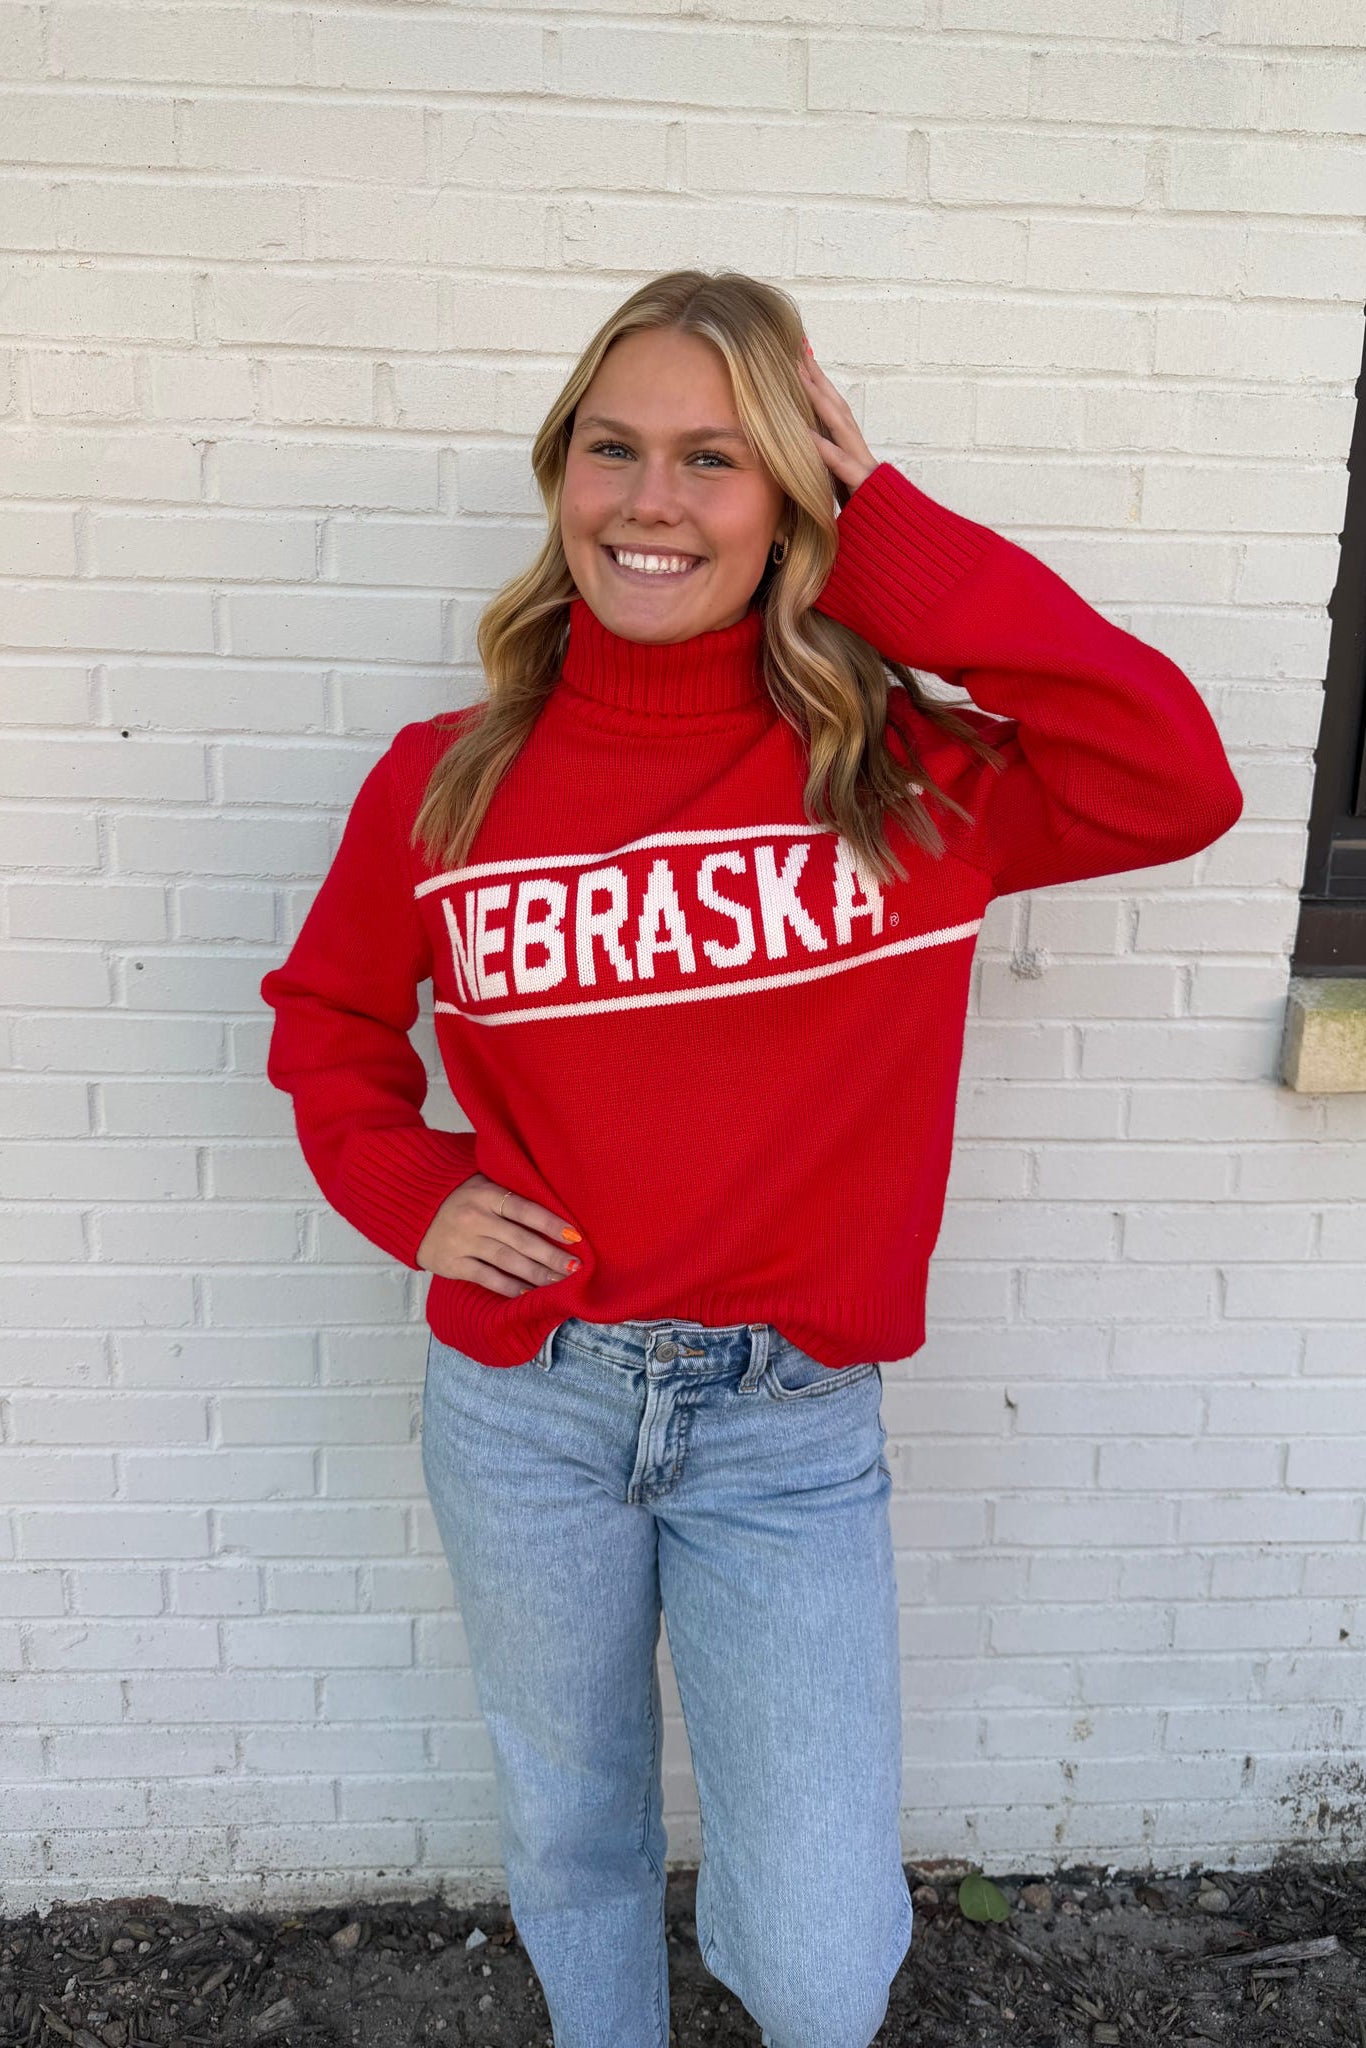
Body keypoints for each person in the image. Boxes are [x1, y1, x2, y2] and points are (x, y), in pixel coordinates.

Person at [260, 269, 1244, 2048]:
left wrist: (900, 541)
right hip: (527, 1404)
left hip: (786, 1429)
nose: (650, 501)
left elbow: (1170, 775)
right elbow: (327, 1024)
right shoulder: (445, 779)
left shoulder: (900, 774)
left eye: (715, 458)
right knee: (573, 1829)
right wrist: (408, 1188)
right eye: (613, 449)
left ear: (797, 493)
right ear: (560, 474)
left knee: (809, 1949)